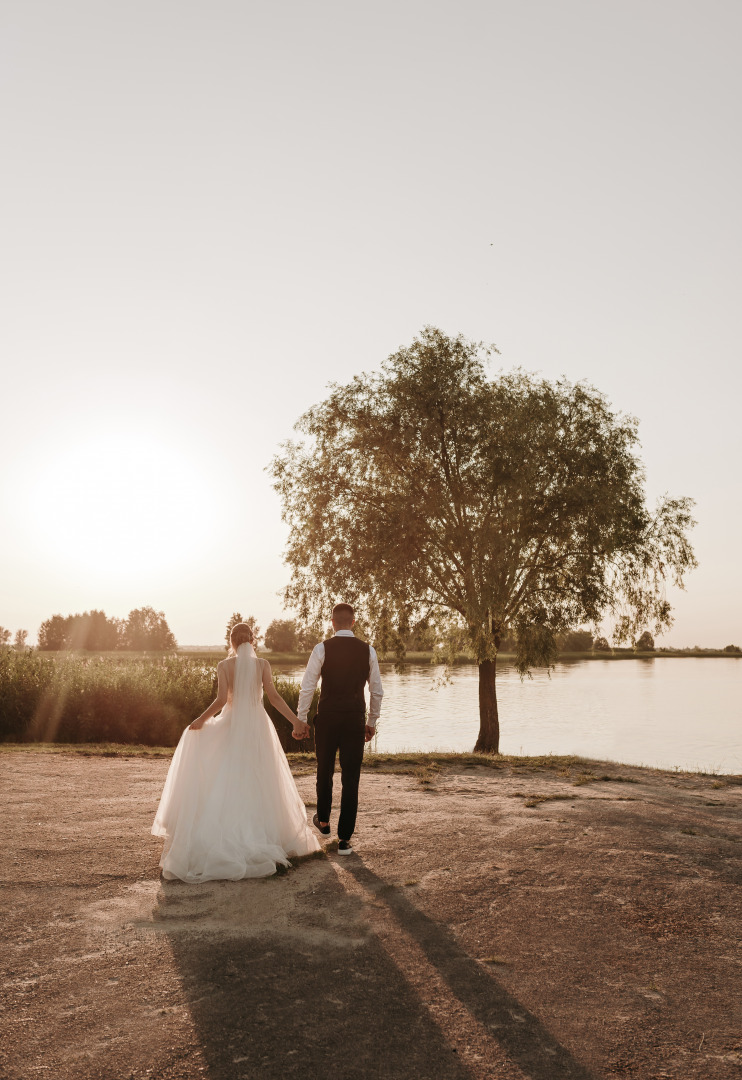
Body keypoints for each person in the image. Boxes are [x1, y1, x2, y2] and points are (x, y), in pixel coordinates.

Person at [152, 622, 320, 881]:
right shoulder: (262, 665)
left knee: (229, 775)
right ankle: (266, 833)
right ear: (252, 640)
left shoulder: (224, 666)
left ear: (231, 642)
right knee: (261, 776)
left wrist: (200, 720)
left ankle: (230, 833)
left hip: (232, 724)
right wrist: (296, 721)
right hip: (257, 724)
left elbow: (221, 701)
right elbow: (274, 698)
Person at [298, 603, 383, 855]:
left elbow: (308, 686)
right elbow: (376, 690)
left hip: (327, 718)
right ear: (353, 622)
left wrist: (301, 718)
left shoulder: (322, 648)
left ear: (332, 622)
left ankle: (323, 822)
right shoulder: (368, 650)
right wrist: (371, 722)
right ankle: (344, 839)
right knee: (351, 778)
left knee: (324, 770)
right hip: (354, 719)